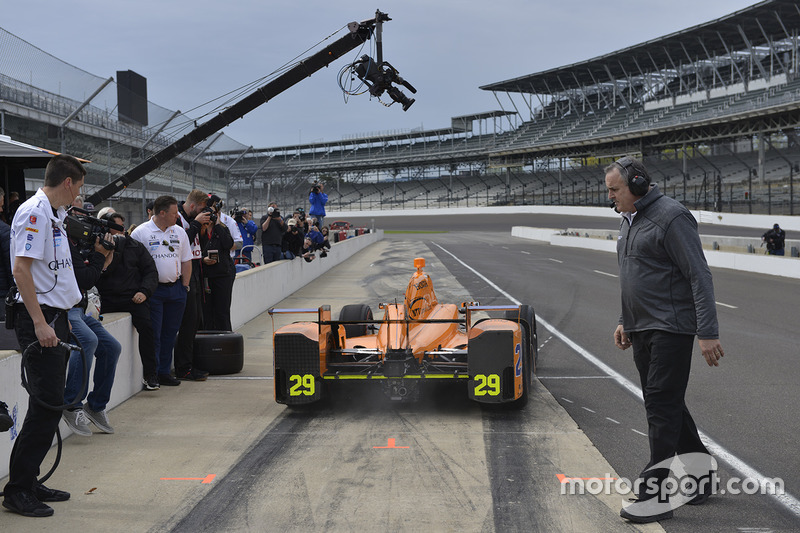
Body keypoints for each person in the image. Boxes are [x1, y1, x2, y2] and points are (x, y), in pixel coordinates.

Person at [606, 156, 724, 524]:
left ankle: (654, 493)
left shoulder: (672, 217)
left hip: (672, 328)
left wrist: (707, 332)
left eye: (614, 190)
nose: (609, 197)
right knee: (666, 403)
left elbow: (699, 276)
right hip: (641, 329)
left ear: (638, 185)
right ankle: (702, 475)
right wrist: (625, 320)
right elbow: (633, 276)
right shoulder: (629, 221)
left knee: (660, 404)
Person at [3, 154, 85, 518]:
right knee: (46, 407)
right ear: (68, 182)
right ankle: (18, 489)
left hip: (56, 317)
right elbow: (21, 270)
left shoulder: (53, 214)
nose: (79, 195)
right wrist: (39, 322)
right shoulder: (35, 212)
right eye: (79, 186)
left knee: (48, 408)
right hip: (42, 322)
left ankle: (28, 479)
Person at [61, 220, 122, 437]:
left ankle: (95, 406)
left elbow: (92, 274)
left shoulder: (75, 246)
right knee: (88, 340)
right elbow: (85, 279)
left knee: (112, 347)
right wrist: (98, 254)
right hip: (65, 309)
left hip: (79, 308)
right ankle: (72, 404)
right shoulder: (63, 245)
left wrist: (105, 256)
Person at [95, 212, 160, 391]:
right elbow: (93, 275)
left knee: (147, 328)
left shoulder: (135, 246)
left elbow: (151, 271)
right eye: (116, 229)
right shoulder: (98, 247)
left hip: (134, 298)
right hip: (106, 299)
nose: (121, 233)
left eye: (122, 229)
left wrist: (144, 292)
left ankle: (150, 374)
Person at [131, 196, 192, 387]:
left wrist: (185, 286)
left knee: (169, 334)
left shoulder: (180, 232)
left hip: (176, 290)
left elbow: (186, 260)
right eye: (174, 213)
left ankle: (165, 372)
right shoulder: (141, 233)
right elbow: (132, 265)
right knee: (154, 335)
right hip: (153, 292)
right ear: (162, 213)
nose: (177, 216)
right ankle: (153, 373)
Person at [175, 190, 211, 382]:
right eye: (202, 209)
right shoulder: (179, 219)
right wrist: (197, 223)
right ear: (192, 206)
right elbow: (182, 244)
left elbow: (199, 244)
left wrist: (203, 227)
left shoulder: (192, 221)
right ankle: (183, 368)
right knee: (187, 324)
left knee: (195, 322)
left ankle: (189, 364)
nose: (204, 212)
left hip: (196, 271)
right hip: (184, 276)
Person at [199, 213, 235, 330]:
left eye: (213, 214)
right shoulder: (199, 230)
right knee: (207, 312)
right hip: (206, 276)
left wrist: (218, 225)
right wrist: (203, 260)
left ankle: (226, 338)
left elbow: (228, 244)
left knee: (222, 311)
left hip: (222, 275)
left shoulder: (222, 229)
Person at [0, 187, 12, 320]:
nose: (2, 210)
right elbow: (12, 267)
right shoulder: (4, 231)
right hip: (3, 296)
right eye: (1, 205)